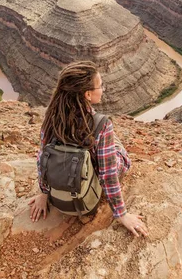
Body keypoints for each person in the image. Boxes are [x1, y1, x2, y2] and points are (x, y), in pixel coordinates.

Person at [28, 61, 149, 237]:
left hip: (58, 198)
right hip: (87, 200)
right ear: (87, 94)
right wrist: (121, 215)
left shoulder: (52, 118)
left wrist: (44, 194)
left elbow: (42, 159)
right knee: (118, 150)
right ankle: (114, 145)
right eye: (100, 86)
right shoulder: (101, 124)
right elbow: (107, 175)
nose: (103, 89)